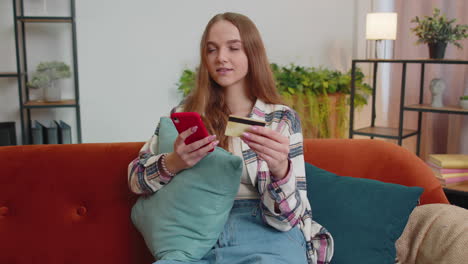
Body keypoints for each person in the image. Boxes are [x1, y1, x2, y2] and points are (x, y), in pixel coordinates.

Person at [128, 12, 333, 264]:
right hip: (196, 233)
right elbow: (135, 180)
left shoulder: (280, 119)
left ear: (252, 53)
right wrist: (173, 162)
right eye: (211, 50)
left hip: (264, 230)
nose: (221, 58)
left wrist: (281, 171)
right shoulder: (185, 114)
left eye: (233, 48)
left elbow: (287, 219)